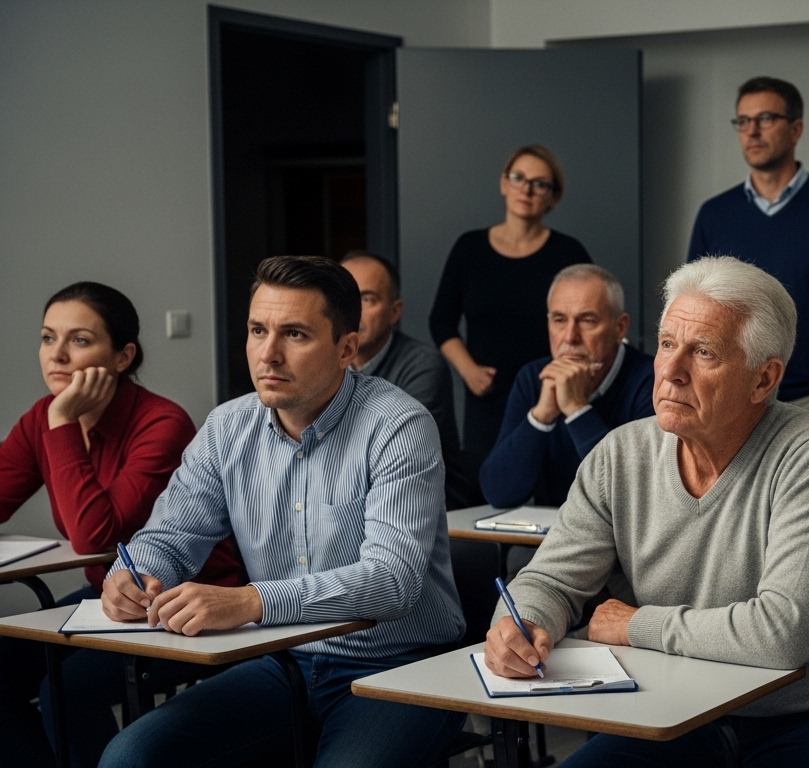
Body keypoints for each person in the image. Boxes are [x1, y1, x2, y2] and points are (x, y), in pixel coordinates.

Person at [483, 257, 809, 767]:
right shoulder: (619, 453)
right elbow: (551, 579)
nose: (671, 372)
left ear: (763, 379)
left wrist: (636, 625)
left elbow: (783, 633)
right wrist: (519, 622)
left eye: (703, 352)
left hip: (807, 717)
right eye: (668, 344)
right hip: (672, 710)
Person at [97, 256, 467, 767]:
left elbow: (391, 582)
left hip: (398, 665)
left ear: (346, 349)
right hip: (281, 661)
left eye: (294, 334)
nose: (268, 354)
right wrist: (134, 574)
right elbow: (170, 537)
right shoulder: (227, 427)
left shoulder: (399, 425)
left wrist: (251, 601)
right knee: (130, 756)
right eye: (258, 330)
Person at [0, 282, 244, 767]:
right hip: (106, 597)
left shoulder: (161, 423)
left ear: (123, 356)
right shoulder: (40, 418)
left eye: (80, 340)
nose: (57, 355)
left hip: (184, 601)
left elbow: (95, 535)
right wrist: (56, 419)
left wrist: (63, 422)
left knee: (65, 691)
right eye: (48, 338)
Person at [688, 76, 809, 409]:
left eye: (765, 119)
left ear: (795, 129)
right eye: (743, 121)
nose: (752, 131)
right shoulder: (714, 215)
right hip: (733, 397)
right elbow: (694, 311)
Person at [430, 145, 592, 505]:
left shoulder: (568, 253)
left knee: (561, 495)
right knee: (490, 493)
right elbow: (441, 320)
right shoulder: (469, 248)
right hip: (488, 397)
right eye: (518, 178)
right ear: (504, 183)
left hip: (551, 390)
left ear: (553, 197)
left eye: (540, 183)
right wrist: (468, 371)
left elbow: (591, 319)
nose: (527, 189)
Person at [479, 264, 653, 509]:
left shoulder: (654, 381)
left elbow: (632, 495)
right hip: (548, 532)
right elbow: (499, 493)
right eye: (559, 320)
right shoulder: (534, 378)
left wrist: (576, 409)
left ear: (619, 327)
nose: (570, 336)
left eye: (587, 320)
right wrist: (541, 416)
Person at [340, 251, 471, 508]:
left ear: (394, 311)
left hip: (426, 509)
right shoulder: (323, 362)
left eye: (367, 299)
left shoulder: (423, 364)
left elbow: (399, 450)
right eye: (343, 299)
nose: (353, 311)